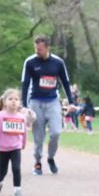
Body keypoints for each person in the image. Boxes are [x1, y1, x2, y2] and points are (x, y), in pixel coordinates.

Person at [21, 34, 75, 176]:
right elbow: (25, 84)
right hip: (35, 102)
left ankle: (51, 158)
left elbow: (65, 82)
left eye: (40, 49)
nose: (37, 51)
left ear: (47, 48)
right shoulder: (30, 62)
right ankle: (37, 162)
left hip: (52, 102)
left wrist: (71, 102)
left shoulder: (58, 62)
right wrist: (24, 106)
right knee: (38, 137)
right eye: (35, 48)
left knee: (56, 132)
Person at [0, 88, 33, 196]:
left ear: (19, 103)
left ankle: (17, 190)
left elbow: (24, 131)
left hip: (15, 147)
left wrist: (24, 143)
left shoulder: (22, 117)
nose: (13, 101)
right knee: (3, 171)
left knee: (16, 169)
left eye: (16, 99)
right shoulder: (0, 116)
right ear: (5, 101)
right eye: (10, 99)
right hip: (3, 148)